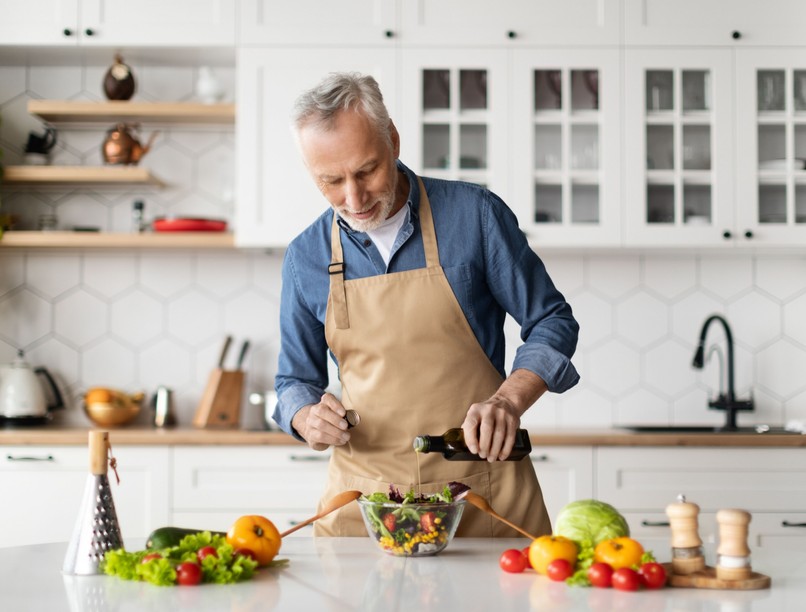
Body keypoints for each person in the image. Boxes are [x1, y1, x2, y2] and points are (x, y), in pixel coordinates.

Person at [274, 72, 579, 537]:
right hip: (365, 503)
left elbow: (551, 321)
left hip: (482, 491)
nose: (353, 199)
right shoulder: (305, 256)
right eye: (331, 181)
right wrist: (305, 417)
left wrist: (508, 402)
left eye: (366, 171)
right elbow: (294, 380)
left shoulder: (475, 215)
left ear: (393, 140)